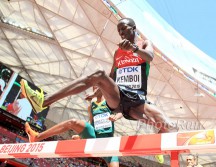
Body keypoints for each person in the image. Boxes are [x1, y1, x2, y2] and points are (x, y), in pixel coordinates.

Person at [21, 17, 177, 163]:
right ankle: (43, 101)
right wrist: (99, 91)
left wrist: (134, 48)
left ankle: (160, 145)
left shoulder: (144, 44)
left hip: (136, 100)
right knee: (99, 75)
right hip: (118, 96)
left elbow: (149, 56)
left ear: (134, 28)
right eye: (119, 31)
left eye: (123, 29)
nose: (121, 33)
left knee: (170, 127)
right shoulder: (118, 52)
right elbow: (111, 76)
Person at [25, 87, 123, 167]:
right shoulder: (91, 105)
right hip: (94, 137)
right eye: (94, 87)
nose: (95, 89)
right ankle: (37, 137)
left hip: (107, 143)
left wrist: (116, 117)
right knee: (72, 122)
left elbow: (122, 111)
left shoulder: (109, 101)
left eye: (98, 87)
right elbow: (91, 122)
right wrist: (82, 135)